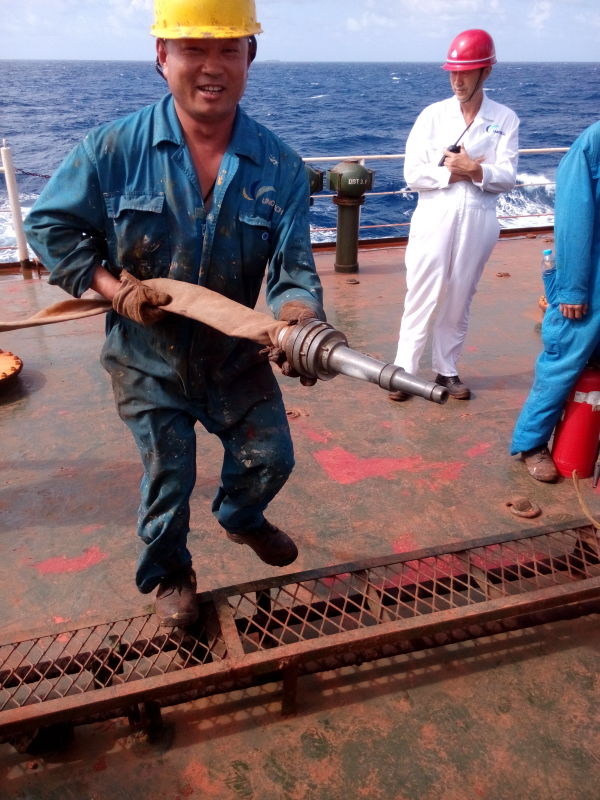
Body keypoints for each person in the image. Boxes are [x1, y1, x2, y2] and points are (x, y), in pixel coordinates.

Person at [24, 0, 324, 627]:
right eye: (193, 49)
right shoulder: (111, 149)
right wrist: (113, 288)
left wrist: (300, 321)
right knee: (169, 474)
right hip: (145, 361)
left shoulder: (282, 168)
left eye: (228, 49)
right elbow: (50, 228)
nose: (212, 66)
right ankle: (169, 572)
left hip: (234, 357)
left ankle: (240, 516)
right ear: (162, 55)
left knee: (272, 458)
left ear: (250, 56)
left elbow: (293, 269)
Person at [390, 29, 519, 401]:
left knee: (461, 295)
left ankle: (446, 370)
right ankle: (403, 372)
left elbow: (507, 177)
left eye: (466, 72)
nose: (457, 80)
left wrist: (476, 170)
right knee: (421, 292)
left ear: (486, 72)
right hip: (435, 215)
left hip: (479, 218)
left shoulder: (505, 119)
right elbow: (413, 174)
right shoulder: (432, 116)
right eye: (453, 72)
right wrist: (460, 171)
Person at [511, 121, 600, 481]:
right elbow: (573, 221)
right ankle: (531, 444)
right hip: (590, 279)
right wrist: (573, 289)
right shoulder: (592, 144)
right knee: (563, 361)